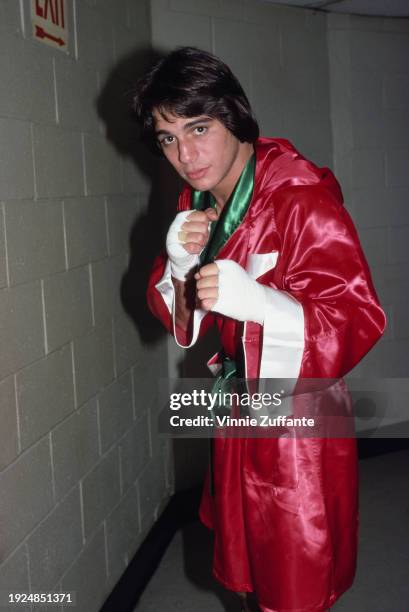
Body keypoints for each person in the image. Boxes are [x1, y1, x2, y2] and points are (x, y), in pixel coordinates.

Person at [133, 47, 386, 612]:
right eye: (168, 137)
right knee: (247, 572)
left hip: (301, 426)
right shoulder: (196, 200)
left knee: (295, 581)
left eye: (198, 127)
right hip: (239, 411)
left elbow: (358, 317)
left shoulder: (302, 201)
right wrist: (178, 267)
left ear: (234, 115)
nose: (186, 154)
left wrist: (266, 306)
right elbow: (179, 316)